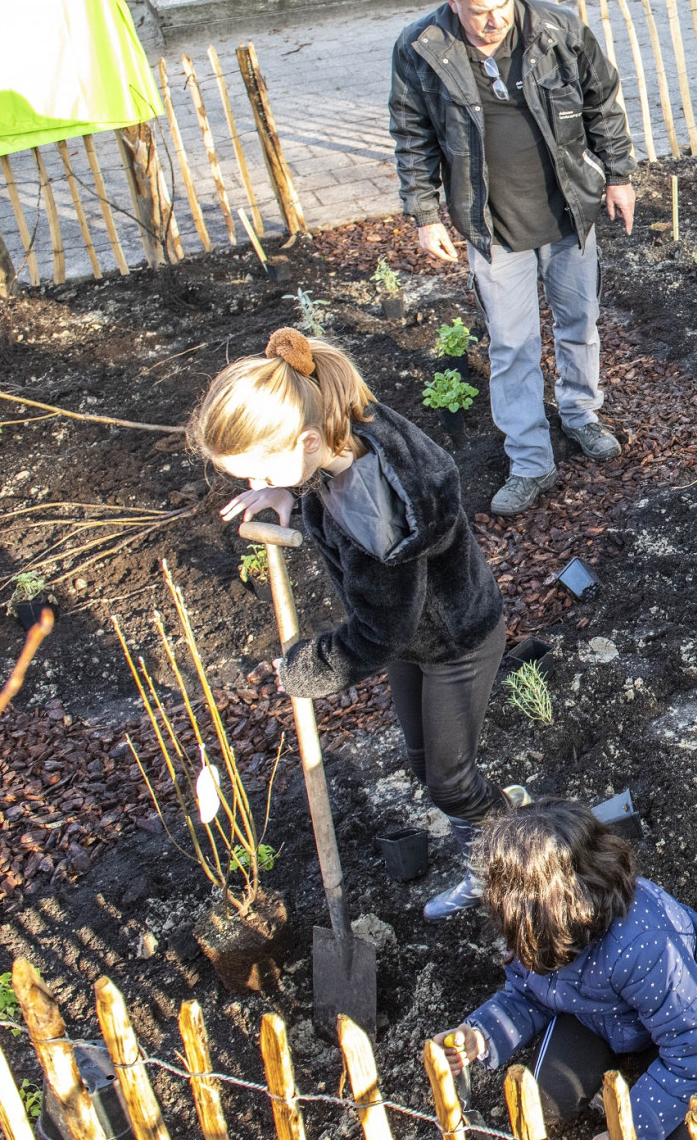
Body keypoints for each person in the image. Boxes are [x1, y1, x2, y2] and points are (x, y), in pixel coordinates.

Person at [194, 328, 519, 921]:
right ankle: (489, 824)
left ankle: (510, 866)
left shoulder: (379, 519)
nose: (256, 484)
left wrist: (306, 671)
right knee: (429, 767)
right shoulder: (340, 410)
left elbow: (378, 633)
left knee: (449, 783)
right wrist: (295, 490)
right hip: (419, 635)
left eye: (263, 468)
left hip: (454, 641)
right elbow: (324, 473)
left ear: (308, 440)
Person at [390, 0, 637, 517]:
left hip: (568, 212)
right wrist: (426, 213)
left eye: (502, 2)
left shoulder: (557, 31)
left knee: (579, 323)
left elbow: (603, 101)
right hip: (493, 224)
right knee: (512, 345)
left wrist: (619, 175)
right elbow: (413, 136)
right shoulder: (423, 48)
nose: (494, 18)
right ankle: (530, 461)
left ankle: (580, 415)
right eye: (478, 9)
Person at [438, 802, 697, 1140]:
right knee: (542, 1099)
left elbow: (693, 1050)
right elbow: (526, 994)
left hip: (693, 1012)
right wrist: (480, 1035)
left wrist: (619, 1139)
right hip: (604, 1012)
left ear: (537, 908)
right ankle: (630, 1066)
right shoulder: (535, 934)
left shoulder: (641, 944)